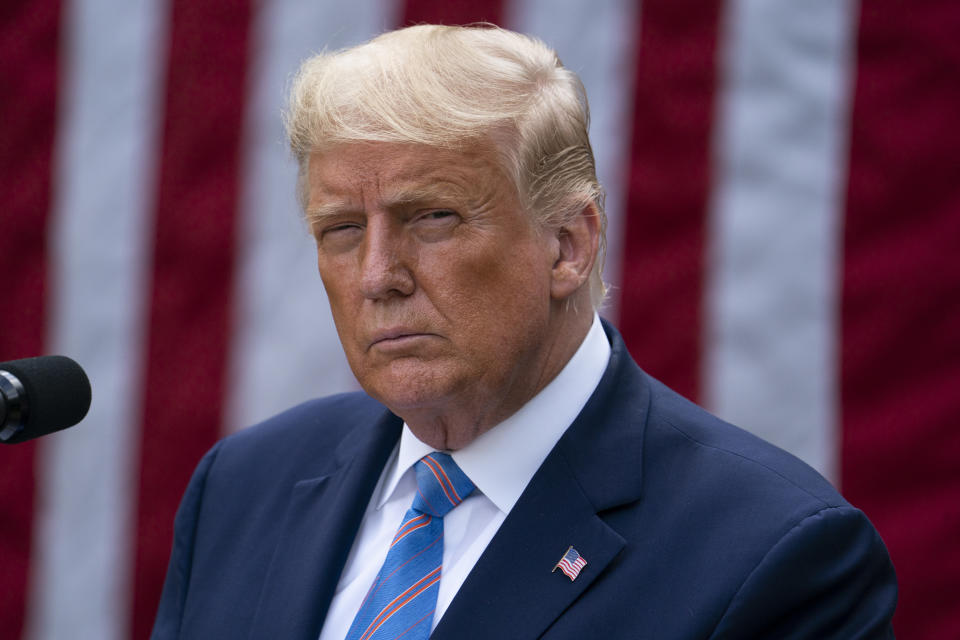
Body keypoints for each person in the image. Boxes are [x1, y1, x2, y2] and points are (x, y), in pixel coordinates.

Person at [151, 24, 897, 639]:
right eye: (341, 229)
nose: (378, 274)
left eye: (431, 218)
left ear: (569, 244)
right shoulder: (243, 487)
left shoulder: (775, 556)